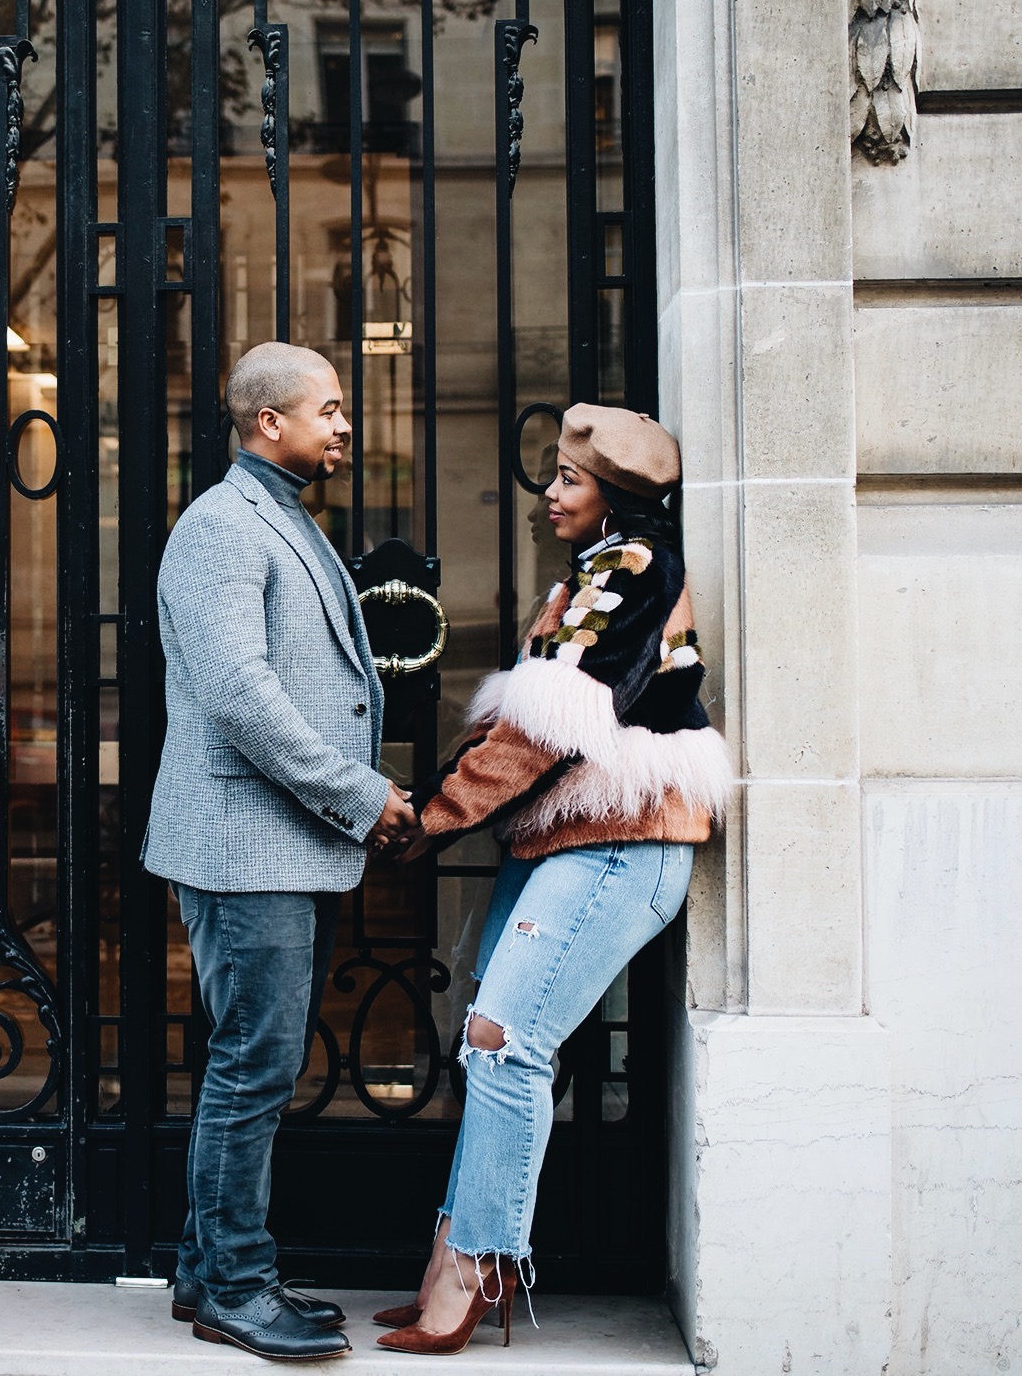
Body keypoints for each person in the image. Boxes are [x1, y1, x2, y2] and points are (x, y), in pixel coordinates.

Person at [374, 404, 733, 1354]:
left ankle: (480, 1265)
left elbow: (544, 730)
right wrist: (441, 798)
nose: (551, 497)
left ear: (613, 497)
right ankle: (451, 1258)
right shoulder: (596, 575)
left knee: (504, 1043)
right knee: (488, 1041)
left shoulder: (631, 570)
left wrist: (436, 820)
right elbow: (518, 727)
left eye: (570, 482)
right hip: (574, 839)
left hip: (623, 838)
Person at [143, 342, 418, 1362]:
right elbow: (240, 696)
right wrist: (359, 794)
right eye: (330, 409)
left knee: (248, 1059)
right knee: (253, 1066)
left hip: (275, 844)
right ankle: (238, 1287)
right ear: (270, 421)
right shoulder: (221, 525)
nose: (344, 426)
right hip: (242, 845)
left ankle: (205, 1270)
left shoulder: (274, 514)